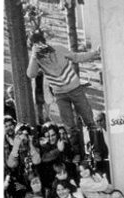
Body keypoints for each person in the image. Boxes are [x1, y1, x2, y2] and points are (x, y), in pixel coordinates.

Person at [26, 31, 101, 159]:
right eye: (34, 45)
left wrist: (95, 54)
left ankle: (96, 151)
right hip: (60, 95)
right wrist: (33, 56)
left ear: (44, 42)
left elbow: (76, 57)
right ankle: (77, 153)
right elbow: (31, 74)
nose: (39, 47)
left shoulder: (58, 49)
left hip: (75, 89)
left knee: (89, 120)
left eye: (40, 43)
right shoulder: (37, 59)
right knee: (69, 125)